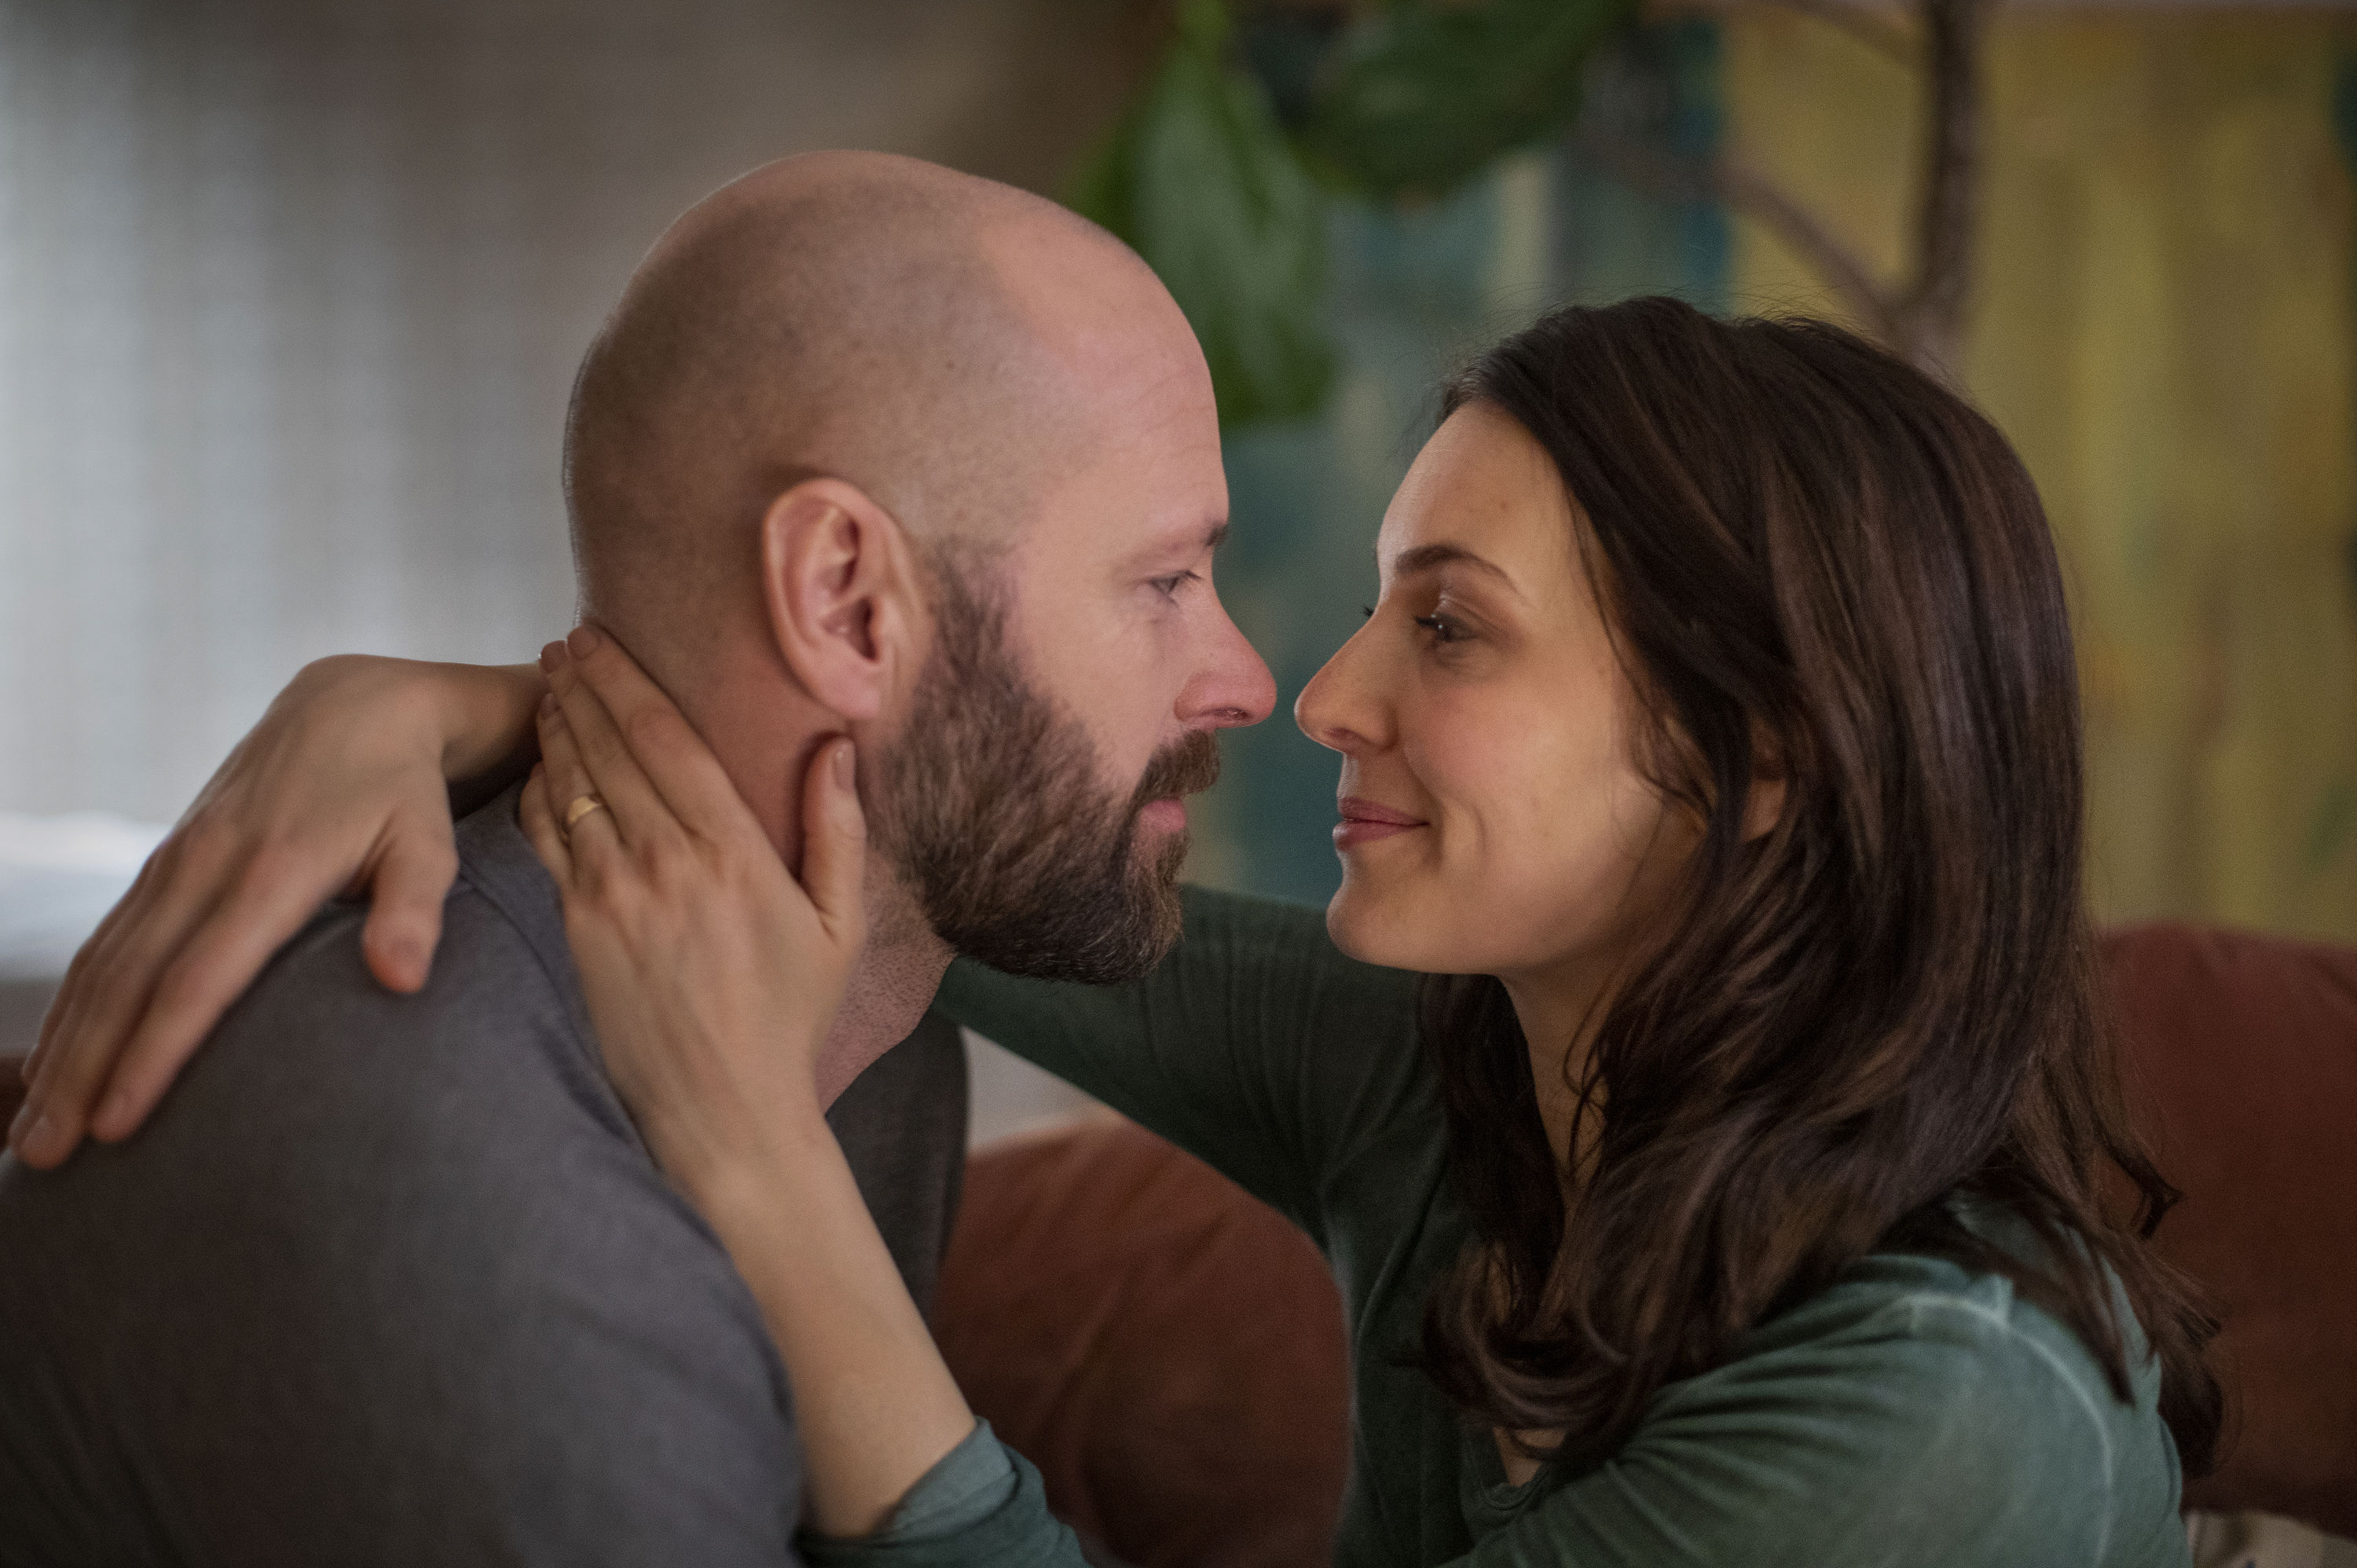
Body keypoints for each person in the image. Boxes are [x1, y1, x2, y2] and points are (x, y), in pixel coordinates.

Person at [19, 299, 2220, 1566]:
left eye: (1448, 627)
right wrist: (477, 699)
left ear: (1764, 762)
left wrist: (767, 1185)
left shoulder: (1946, 1432)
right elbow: (951, 856)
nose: (1315, 689)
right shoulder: (1474, 1079)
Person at [0, 148, 1269, 1565]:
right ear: (847, 603)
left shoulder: (878, 1038)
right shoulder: (501, 1257)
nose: (1248, 677)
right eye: (1164, 580)